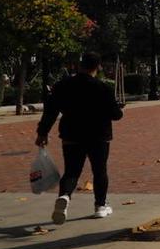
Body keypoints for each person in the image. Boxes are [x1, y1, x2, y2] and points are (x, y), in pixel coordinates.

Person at [35, 52, 124, 224]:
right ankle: (100, 205)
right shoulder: (102, 87)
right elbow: (116, 115)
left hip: (71, 133)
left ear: (79, 65)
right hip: (99, 135)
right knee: (99, 171)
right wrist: (119, 110)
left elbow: (51, 111)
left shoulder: (62, 85)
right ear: (97, 67)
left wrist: (42, 132)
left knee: (72, 171)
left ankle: (65, 196)